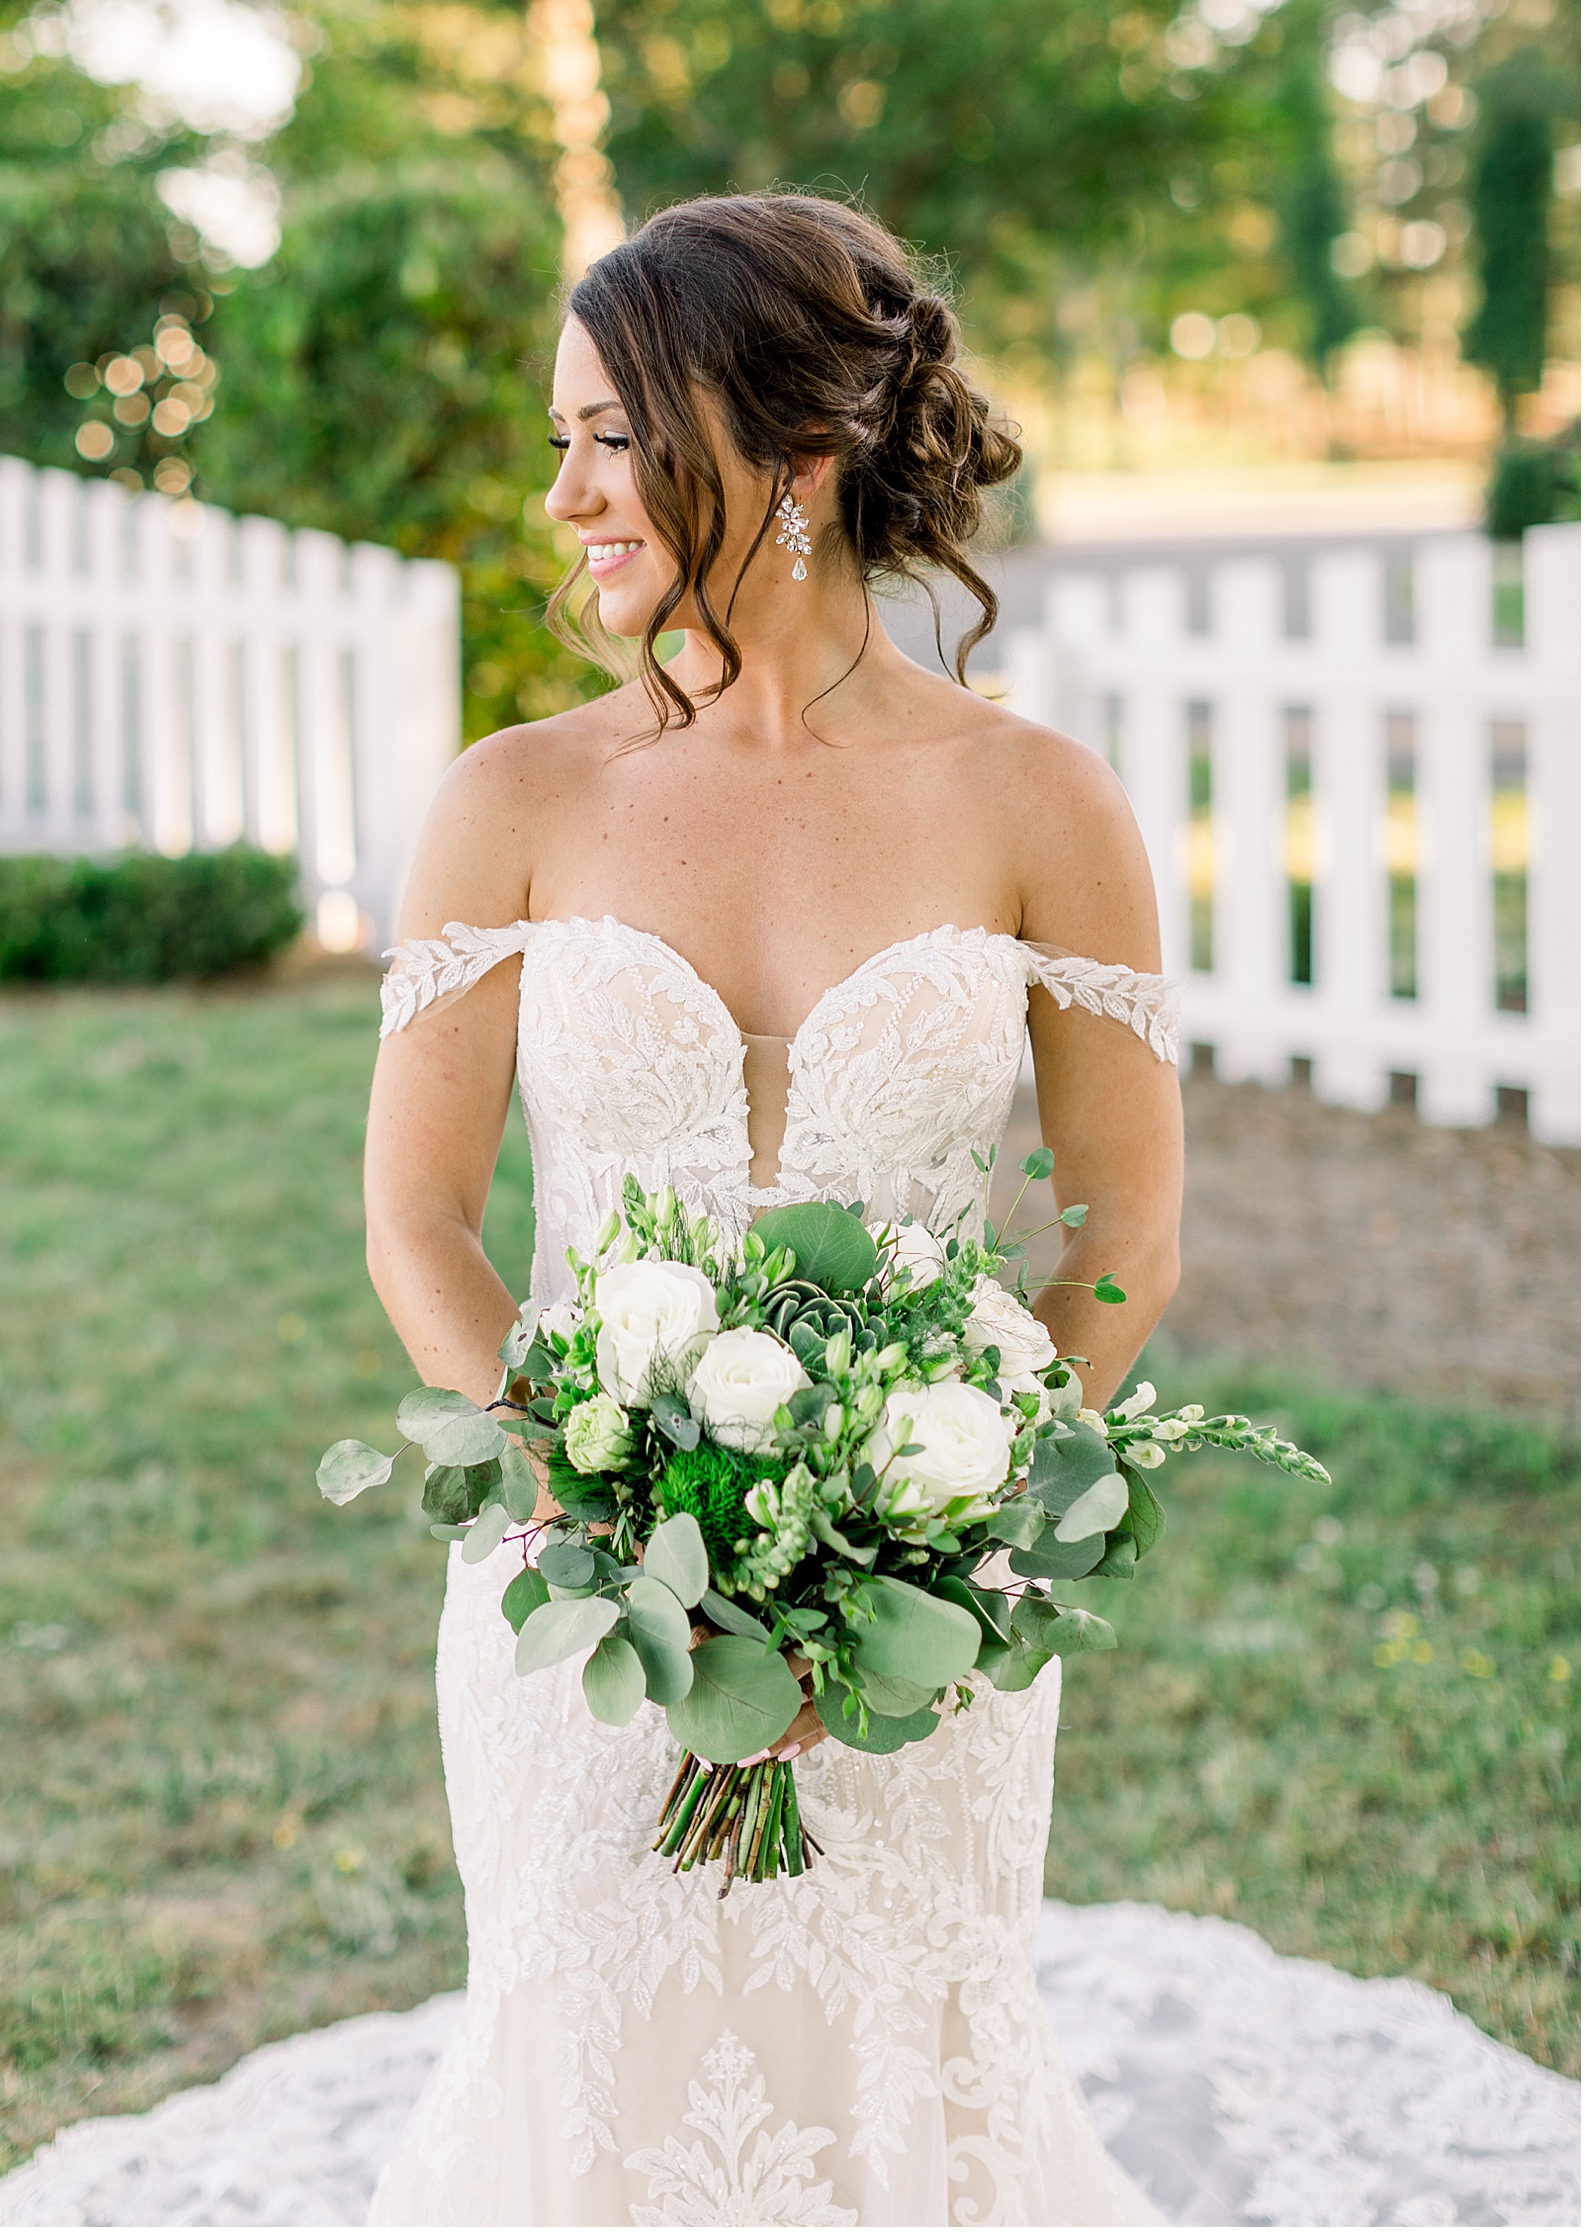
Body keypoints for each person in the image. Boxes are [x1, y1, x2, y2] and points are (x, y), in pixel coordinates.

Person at [362, 192, 1183, 2227]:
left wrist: (943, 1532)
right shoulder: (514, 800)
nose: (563, 496)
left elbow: (1122, 1236)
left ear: (788, 455)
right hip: (576, 1596)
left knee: (906, 2074)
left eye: (603, 437)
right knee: (590, 2072)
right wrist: (591, 1500)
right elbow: (419, 1218)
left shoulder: (1041, 804)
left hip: (922, 1619)